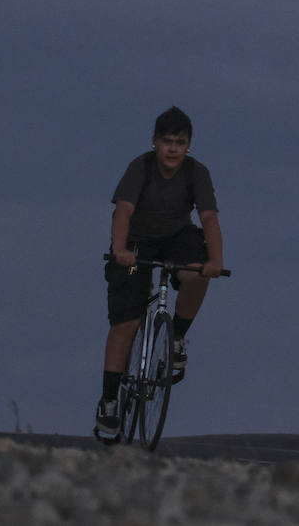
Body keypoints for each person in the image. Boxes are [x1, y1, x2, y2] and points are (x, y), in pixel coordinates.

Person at [95, 106, 224, 439]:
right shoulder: (141, 168)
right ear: (154, 142)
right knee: (125, 322)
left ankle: (177, 336)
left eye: (179, 142)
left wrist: (216, 261)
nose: (172, 149)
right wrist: (120, 250)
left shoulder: (197, 173)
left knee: (198, 273)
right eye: (166, 141)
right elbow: (122, 211)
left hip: (176, 237)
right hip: (137, 242)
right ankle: (109, 400)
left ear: (188, 145)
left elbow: (209, 218)